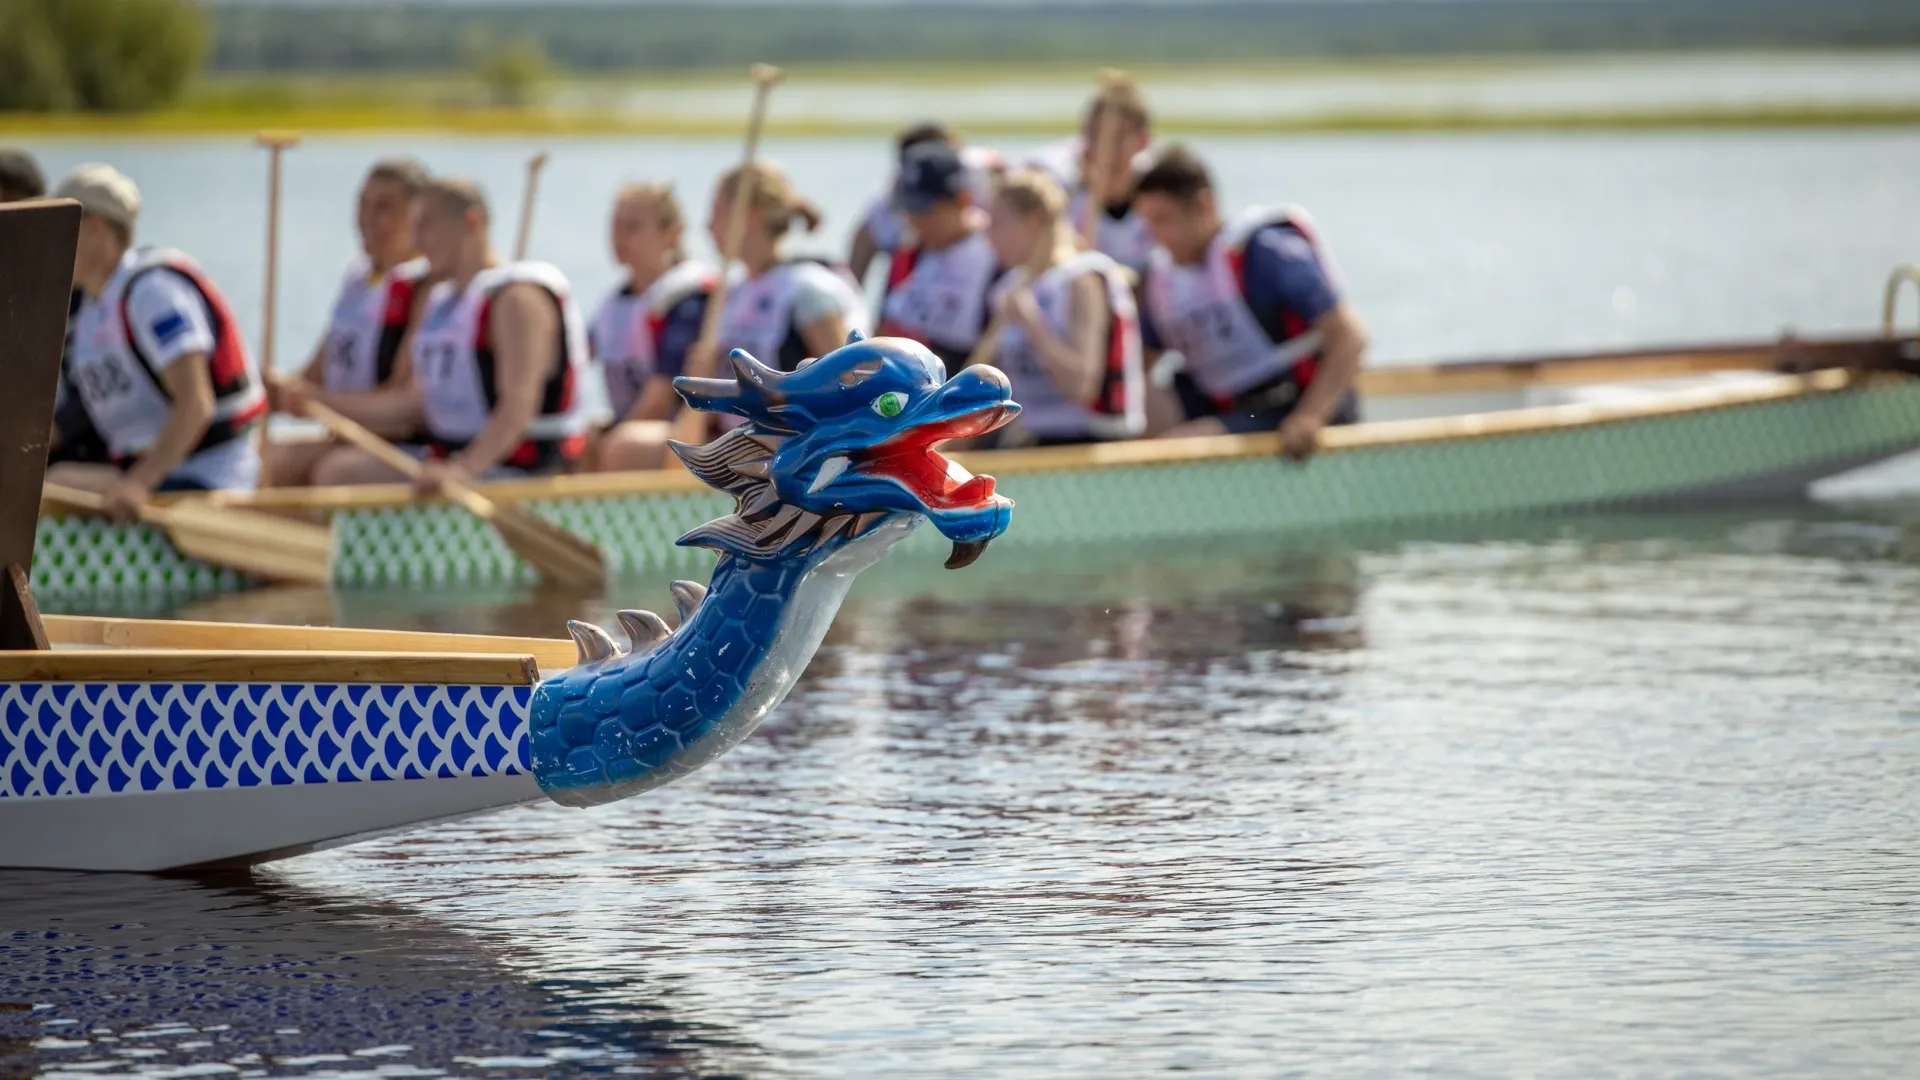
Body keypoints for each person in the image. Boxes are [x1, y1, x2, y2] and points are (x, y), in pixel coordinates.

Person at [299, 177, 591, 489]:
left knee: (339, 474)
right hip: (450, 459)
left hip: (517, 470)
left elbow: (518, 406)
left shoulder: (516, 299)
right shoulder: (440, 302)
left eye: (426, 226)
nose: (417, 241)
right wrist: (318, 401)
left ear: (472, 222)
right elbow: (413, 403)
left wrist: (464, 470)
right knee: (334, 469)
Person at [49, 164, 267, 517]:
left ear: (95, 229)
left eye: (58, 229)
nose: (50, 244)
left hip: (209, 473)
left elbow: (196, 404)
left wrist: (138, 483)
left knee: (50, 492)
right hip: (153, 470)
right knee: (45, 481)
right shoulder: (90, 307)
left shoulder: (151, 293)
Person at [1131, 145, 1368, 460]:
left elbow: (1350, 337)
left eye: (1163, 220)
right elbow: (1138, 364)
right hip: (1225, 403)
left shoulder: (1266, 252)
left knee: (1181, 445)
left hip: (1292, 402)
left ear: (1204, 205)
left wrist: (1310, 417)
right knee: (1132, 420)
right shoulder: (1161, 279)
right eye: (1147, 222)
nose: (1154, 235)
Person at [264, 157, 433, 487]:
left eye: (383, 208)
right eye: (362, 205)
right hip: (345, 433)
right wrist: (271, 390)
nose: (367, 219)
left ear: (417, 217)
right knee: (260, 461)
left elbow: (407, 407)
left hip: (400, 443)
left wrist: (315, 400)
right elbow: (315, 374)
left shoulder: (426, 288)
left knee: (328, 472)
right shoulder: (359, 281)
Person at [980, 168, 1144, 447]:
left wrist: (1032, 323)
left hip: (1092, 442)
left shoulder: (1081, 281)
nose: (989, 239)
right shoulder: (1009, 289)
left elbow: (1081, 386)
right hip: (1034, 439)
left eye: (997, 225)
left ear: (1032, 222)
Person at [696, 160, 868, 376]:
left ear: (750, 216)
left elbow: (852, 380)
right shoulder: (732, 291)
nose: (708, 225)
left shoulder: (808, 290)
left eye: (717, 212)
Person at [588, 182, 714, 471]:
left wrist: (612, 436)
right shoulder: (612, 302)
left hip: (683, 431)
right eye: (615, 226)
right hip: (632, 424)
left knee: (620, 445)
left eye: (632, 227)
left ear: (669, 234)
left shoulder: (688, 301)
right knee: (585, 439)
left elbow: (660, 398)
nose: (619, 238)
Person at [874, 141, 1004, 373]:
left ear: (962, 200)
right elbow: (882, 329)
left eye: (925, 210)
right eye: (909, 209)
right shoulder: (909, 252)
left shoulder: (997, 254)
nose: (915, 220)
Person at [847, 122, 1004, 285]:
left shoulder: (987, 178)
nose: (915, 219)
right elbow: (855, 271)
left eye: (927, 211)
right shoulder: (885, 202)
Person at [1029, 82, 1157, 275]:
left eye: (1117, 138)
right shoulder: (1061, 190)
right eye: (1092, 135)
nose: (1100, 150)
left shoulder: (1159, 195)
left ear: (1143, 141)